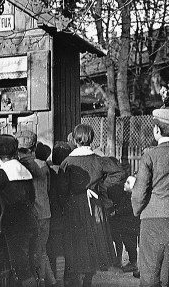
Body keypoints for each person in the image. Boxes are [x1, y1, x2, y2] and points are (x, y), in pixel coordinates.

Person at [57, 123, 122, 287]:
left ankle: (74, 279)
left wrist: (64, 202)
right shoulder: (97, 160)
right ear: (92, 139)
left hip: (73, 206)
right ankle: (88, 280)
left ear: (74, 138)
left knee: (76, 242)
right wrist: (101, 186)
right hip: (94, 205)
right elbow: (119, 172)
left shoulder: (67, 161)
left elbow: (61, 189)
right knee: (92, 241)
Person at [0, 134, 39, 287]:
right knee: (29, 265)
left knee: (20, 267)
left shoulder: (4, 174)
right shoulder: (25, 170)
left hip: (14, 226)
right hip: (30, 222)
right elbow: (32, 198)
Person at [132, 108, 169, 287]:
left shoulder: (150, 155)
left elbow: (140, 192)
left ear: (157, 130)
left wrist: (137, 210)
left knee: (150, 275)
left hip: (153, 218)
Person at [16, 130, 56, 287]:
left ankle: (42, 282)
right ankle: (50, 281)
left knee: (30, 253)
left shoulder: (20, 166)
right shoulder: (43, 165)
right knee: (41, 250)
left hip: (31, 215)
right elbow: (48, 189)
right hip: (45, 212)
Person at [47, 142, 72, 286]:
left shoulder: (47, 170)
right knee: (63, 248)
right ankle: (62, 279)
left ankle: (55, 280)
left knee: (52, 249)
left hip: (51, 215)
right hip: (63, 214)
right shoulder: (64, 172)